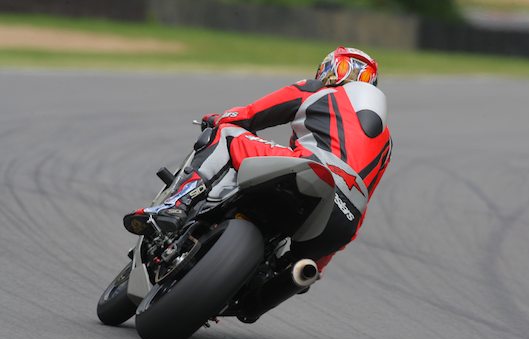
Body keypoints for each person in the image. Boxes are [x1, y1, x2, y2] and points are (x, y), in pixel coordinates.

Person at [123, 46, 392, 273]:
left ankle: (176, 204)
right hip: (343, 221)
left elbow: (249, 115)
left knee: (227, 133)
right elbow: (363, 194)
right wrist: (317, 264)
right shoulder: (386, 143)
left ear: (329, 70)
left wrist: (218, 119)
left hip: (308, 170)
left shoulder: (317, 91)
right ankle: (279, 279)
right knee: (295, 271)